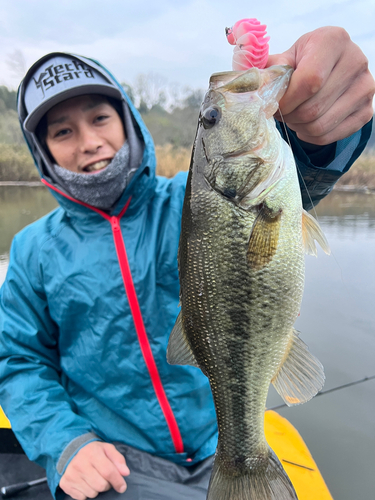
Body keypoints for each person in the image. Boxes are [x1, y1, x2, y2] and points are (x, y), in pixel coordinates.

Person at [0, 26, 373, 500]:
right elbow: (18, 361)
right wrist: (65, 444)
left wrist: (325, 128)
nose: (89, 141)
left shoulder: (188, 200)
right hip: (118, 460)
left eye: (99, 117)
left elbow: (304, 174)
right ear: (42, 151)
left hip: (219, 438)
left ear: (128, 120)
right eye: (63, 131)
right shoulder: (32, 249)